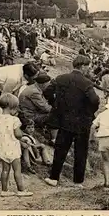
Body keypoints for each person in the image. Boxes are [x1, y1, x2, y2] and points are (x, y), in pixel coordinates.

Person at [43, 55, 100, 187]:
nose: (89, 70)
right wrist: (89, 112)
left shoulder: (60, 78)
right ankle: (78, 182)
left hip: (64, 120)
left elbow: (47, 91)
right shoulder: (86, 83)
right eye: (88, 67)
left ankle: (53, 178)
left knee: (60, 149)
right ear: (83, 66)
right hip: (82, 122)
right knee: (80, 152)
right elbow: (95, 100)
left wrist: (56, 104)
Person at [0, 93, 33, 197]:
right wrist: (23, 137)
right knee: (17, 171)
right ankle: (21, 190)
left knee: (5, 170)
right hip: (13, 149)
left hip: (2, 149)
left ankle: (4, 191)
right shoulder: (15, 120)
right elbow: (18, 134)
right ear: (12, 108)